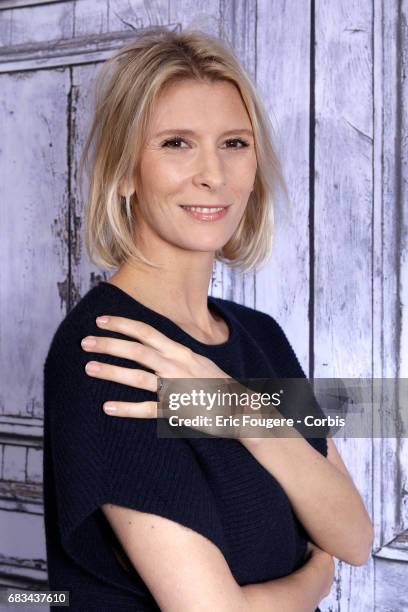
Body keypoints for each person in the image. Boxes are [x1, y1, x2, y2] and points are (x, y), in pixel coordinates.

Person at [42, 26, 374, 611]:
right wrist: (314, 582)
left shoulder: (259, 336)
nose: (213, 175)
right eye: (176, 143)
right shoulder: (110, 351)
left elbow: (352, 536)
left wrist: (241, 409)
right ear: (123, 172)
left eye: (234, 143)